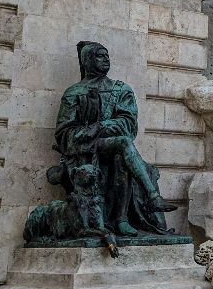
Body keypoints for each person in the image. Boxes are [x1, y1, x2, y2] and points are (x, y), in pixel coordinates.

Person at [54, 42, 177, 236]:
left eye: (107, 55)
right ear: (87, 61)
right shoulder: (73, 93)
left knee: (122, 150)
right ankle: (152, 197)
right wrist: (94, 130)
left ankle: (122, 220)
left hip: (111, 144)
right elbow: (63, 133)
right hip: (84, 149)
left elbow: (128, 124)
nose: (106, 59)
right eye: (100, 56)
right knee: (123, 144)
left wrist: (102, 126)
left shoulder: (121, 89)